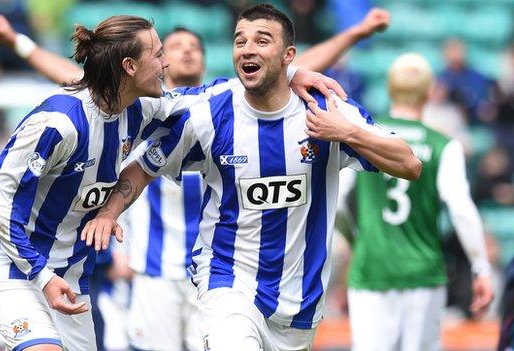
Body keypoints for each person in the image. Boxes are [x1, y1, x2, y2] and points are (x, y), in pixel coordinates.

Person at [0, 9, 389, 351]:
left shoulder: (166, 109)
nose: (171, 61)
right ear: (130, 66)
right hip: (45, 267)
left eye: (187, 49)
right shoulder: (72, 119)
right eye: (163, 52)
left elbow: (262, 81)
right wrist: (18, 42)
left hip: (82, 272)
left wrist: (295, 71)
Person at [82, 5, 420, 350]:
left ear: (289, 55)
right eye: (239, 40)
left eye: (262, 40)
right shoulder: (209, 113)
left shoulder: (327, 113)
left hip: (298, 302)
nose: (247, 48)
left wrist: (347, 132)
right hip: (227, 283)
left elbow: (410, 164)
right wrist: (109, 212)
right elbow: (144, 167)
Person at [342, 53, 493, 351]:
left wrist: (355, 239)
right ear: (429, 92)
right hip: (423, 273)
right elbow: (461, 209)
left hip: (371, 269)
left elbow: (337, 205)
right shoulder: (442, 145)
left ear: (389, 89)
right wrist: (481, 269)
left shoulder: (363, 137)